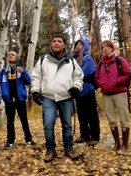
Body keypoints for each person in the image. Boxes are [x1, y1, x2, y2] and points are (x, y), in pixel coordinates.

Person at [31, 35, 84, 163]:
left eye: (59, 41)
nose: (56, 43)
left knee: (67, 125)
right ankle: (50, 150)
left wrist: (76, 87)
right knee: (48, 124)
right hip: (48, 97)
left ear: (64, 45)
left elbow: (78, 76)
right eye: (54, 41)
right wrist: (35, 91)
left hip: (66, 97)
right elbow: (36, 76)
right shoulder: (44, 59)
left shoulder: (71, 60)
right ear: (51, 44)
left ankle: (69, 149)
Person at [95, 40, 131, 152]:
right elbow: (96, 78)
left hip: (120, 93)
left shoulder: (120, 60)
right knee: (111, 120)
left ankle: (125, 145)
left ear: (112, 48)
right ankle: (117, 144)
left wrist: (116, 81)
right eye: (103, 47)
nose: (104, 49)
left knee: (124, 119)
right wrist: (101, 83)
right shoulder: (100, 63)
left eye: (107, 46)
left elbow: (128, 74)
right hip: (106, 95)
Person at [0, 51, 35, 149]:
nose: (10, 56)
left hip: (20, 99)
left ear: (16, 58)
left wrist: (23, 73)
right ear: (7, 58)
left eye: (13, 55)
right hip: (9, 100)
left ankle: (29, 139)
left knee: (24, 120)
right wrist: (2, 96)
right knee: (10, 121)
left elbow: (28, 81)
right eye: (9, 55)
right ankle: (10, 141)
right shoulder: (3, 71)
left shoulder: (21, 69)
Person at [71, 38, 100, 146]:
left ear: (85, 46)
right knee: (81, 114)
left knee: (92, 114)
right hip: (78, 91)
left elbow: (86, 72)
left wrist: (74, 77)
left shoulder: (88, 58)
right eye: (77, 44)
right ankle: (84, 135)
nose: (78, 46)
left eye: (81, 44)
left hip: (88, 89)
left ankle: (95, 136)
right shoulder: (73, 58)